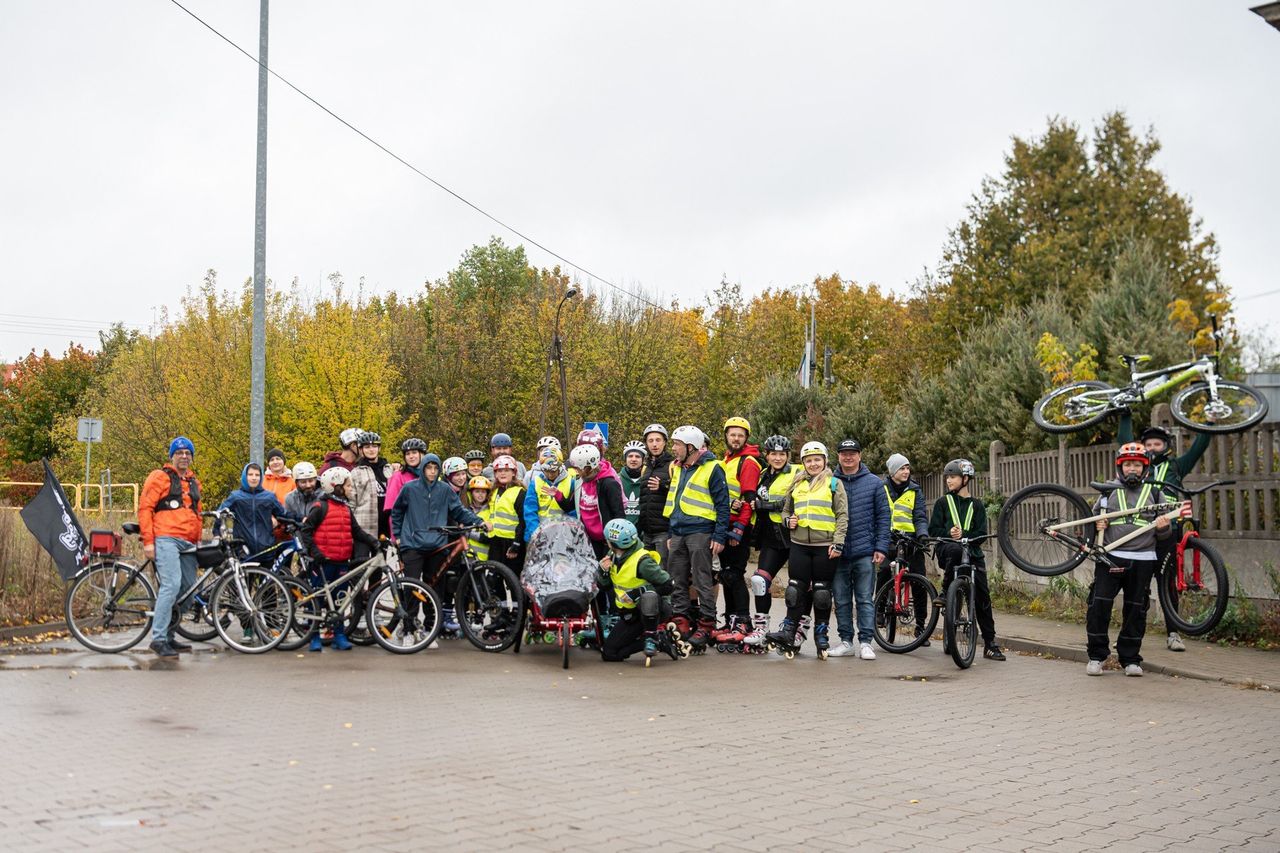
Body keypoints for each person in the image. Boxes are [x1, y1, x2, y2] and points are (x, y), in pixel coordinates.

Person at [1117, 414, 1211, 652]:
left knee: (1168, 584)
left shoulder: (1176, 466)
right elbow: (1125, 441)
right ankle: (1130, 636)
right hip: (1141, 533)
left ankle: (1173, 634)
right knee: (1137, 588)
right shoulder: (1139, 468)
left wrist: (1209, 423)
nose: (1151, 448)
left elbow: (1198, 447)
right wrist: (1125, 415)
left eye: (1157, 444)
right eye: (1148, 444)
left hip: (1168, 532)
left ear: (1166, 446)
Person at [1085, 443, 1174, 677]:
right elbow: (1090, 525)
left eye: (1136, 464)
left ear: (1145, 468)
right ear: (1119, 467)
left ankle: (1130, 659)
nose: (1132, 469)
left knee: (1136, 609)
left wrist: (1163, 528)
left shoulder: (1156, 493)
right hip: (1110, 558)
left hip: (1143, 559)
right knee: (1099, 605)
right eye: (1127, 465)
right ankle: (1097, 656)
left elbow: (1164, 536)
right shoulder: (1107, 492)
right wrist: (1097, 524)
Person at [390, 453, 491, 642]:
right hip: (412, 544)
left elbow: (459, 511)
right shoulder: (410, 488)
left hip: (437, 545)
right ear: (423, 469)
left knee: (435, 589)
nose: (432, 471)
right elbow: (397, 511)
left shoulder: (444, 490)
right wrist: (397, 536)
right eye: (428, 468)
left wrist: (478, 521)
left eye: (435, 468)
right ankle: (409, 629)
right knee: (411, 588)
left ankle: (430, 629)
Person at [764, 441, 848, 657]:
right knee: (794, 590)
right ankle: (788, 632)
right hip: (799, 545)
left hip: (824, 547)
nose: (813, 464)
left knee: (821, 592)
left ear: (825, 461)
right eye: (808, 460)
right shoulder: (797, 483)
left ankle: (821, 636)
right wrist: (788, 521)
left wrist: (838, 543)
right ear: (803, 462)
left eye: (817, 459)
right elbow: (785, 511)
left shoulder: (834, 484)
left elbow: (842, 516)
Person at [928, 458, 1006, 661]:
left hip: (972, 555)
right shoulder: (942, 503)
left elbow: (981, 533)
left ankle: (990, 644)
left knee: (983, 599)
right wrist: (948, 532)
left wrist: (965, 534)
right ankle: (946, 591)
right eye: (947, 477)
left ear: (965, 479)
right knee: (954, 549)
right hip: (948, 551)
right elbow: (933, 530)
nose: (948, 480)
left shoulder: (977, 505)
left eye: (953, 477)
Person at [298, 467, 381, 652]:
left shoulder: (346, 508)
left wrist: (373, 541)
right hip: (322, 562)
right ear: (335, 486)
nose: (351, 488)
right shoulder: (320, 507)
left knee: (340, 600)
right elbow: (306, 531)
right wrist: (314, 552)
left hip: (342, 561)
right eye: (348, 485)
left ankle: (339, 634)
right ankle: (314, 636)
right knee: (317, 599)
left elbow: (356, 531)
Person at [662, 425, 730, 649]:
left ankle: (707, 624)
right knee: (677, 579)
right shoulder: (678, 467)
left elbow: (723, 505)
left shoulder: (713, 468)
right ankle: (681, 620)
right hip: (678, 531)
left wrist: (719, 536)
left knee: (702, 581)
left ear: (690, 447)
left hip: (701, 531)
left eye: (677, 444)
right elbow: (674, 501)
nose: (674, 448)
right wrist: (671, 531)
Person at [137, 436, 204, 657]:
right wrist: (148, 542)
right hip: (166, 538)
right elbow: (145, 508)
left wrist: (198, 539)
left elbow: (198, 513)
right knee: (171, 585)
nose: (184, 456)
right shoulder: (159, 477)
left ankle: (169, 635)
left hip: (189, 542)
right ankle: (158, 639)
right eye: (179, 453)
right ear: (172, 456)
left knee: (189, 591)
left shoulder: (194, 482)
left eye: (188, 453)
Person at [830, 439, 891, 660]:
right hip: (838, 553)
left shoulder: (874, 483)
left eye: (852, 453)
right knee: (841, 600)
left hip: (865, 551)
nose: (848, 457)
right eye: (844, 453)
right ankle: (846, 642)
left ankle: (866, 642)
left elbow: (884, 517)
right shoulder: (830, 482)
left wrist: (881, 547)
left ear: (859, 456)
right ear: (838, 456)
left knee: (865, 599)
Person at [743, 434, 801, 648]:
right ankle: (761, 629)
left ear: (788, 456)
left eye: (782, 454)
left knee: (798, 586)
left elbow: (795, 499)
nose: (778, 458)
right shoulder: (762, 475)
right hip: (769, 537)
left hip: (792, 536)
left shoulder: (797, 472)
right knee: (760, 581)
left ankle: (794, 630)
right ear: (767, 455)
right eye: (774, 454)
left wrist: (765, 505)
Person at [596, 519, 680, 664]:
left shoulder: (643, 561)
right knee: (609, 653)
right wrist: (603, 572)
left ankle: (651, 636)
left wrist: (637, 593)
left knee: (648, 597)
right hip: (630, 613)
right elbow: (604, 587)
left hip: (654, 610)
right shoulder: (613, 555)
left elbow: (669, 585)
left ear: (612, 543)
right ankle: (660, 640)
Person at [713, 416, 763, 646]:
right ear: (726, 436)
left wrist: (740, 528)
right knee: (726, 576)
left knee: (734, 574)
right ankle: (730, 621)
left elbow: (748, 499)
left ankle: (743, 622)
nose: (736, 438)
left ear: (746, 438)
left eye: (740, 435)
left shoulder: (748, 462)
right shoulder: (727, 460)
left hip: (738, 527)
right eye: (732, 434)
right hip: (725, 524)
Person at [878, 453, 932, 646]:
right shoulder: (881, 489)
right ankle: (879, 611)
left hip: (911, 541)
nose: (906, 471)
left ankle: (921, 627)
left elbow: (920, 516)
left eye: (908, 468)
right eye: (902, 468)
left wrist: (923, 535)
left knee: (919, 581)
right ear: (893, 471)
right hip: (888, 540)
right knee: (884, 571)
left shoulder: (915, 490)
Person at [554, 444, 624, 559]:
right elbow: (570, 506)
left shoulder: (609, 484)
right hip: (589, 539)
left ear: (587, 468)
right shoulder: (580, 482)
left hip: (607, 541)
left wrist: (615, 544)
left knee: (604, 569)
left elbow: (619, 514)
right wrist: (558, 495)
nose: (575, 471)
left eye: (577, 468)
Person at [216, 462, 297, 557]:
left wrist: (300, 519)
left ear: (261, 477)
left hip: (267, 549)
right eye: (250, 475)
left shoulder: (269, 497)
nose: (254, 478)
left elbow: (283, 514)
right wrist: (216, 533)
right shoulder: (236, 497)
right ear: (244, 476)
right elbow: (219, 514)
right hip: (243, 550)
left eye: (257, 475)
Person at [637, 424, 674, 565]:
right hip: (646, 532)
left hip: (664, 532)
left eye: (658, 440)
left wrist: (663, 486)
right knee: (647, 572)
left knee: (663, 571)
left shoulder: (673, 465)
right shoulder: (645, 467)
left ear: (665, 442)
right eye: (650, 440)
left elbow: (680, 492)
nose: (654, 444)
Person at [523, 446, 575, 542]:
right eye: (546, 471)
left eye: (553, 471)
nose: (550, 474)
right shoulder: (535, 483)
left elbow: (573, 511)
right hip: (539, 534)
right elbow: (529, 510)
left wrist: (569, 532)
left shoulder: (570, 482)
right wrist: (536, 532)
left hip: (562, 535)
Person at [349, 431, 392, 543]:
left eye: (374, 446)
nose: (371, 449)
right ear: (361, 450)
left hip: (388, 526)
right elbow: (351, 503)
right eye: (367, 447)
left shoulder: (389, 469)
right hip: (364, 528)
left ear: (379, 448)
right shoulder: (355, 472)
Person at [487, 454, 528, 573]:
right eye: (499, 471)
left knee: (512, 578)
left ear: (514, 473)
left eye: (506, 470)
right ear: (495, 474)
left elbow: (523, 521)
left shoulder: (520, 492)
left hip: (511, 541)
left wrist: (516, 544)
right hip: (495, 541)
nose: (502, 474)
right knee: (493, 578)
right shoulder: (494, 491)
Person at [385, 438, 428, 515]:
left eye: (414, 452)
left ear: (423, 454)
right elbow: (392, 507)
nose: (411, 456)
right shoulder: (398, 476)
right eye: (407, 454)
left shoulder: (429, 476)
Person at [463, 475, 494, 561]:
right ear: (471, 493)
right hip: (465, 557)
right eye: (477, 491)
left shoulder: (490, 512)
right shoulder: (466, 510)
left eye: (483, 492)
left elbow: (489, 537)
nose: (480, 494)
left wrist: (468, 533)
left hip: (482, 559)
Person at [619, 440, 647, 528]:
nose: (633, 459)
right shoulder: (616, 479)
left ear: (643, 460)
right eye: (630, 456)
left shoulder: (649, 480)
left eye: (637, 456)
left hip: (644, 531)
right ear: (625, 459)